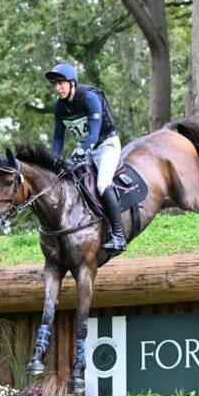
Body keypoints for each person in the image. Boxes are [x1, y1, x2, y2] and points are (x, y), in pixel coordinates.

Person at [45, 62, 126, 253]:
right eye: (55, 85)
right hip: (86, 149)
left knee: (102, 184)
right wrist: (52, 162)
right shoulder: (60, 107)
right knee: (74, 184)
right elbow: (58, 139)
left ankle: (119, 236)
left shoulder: (89, 97)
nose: (57, 88)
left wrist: (79, 153)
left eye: (61, 83)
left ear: (72, 83)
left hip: (106, 145)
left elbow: (94, 135)